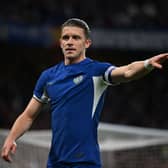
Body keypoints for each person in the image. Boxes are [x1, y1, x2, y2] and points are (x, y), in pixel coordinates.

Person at [1, 18, 168, 168]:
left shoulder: (96, 71)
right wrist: (11, 138)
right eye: (66, 38)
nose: (70, 42)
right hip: (56, 162)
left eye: (76, 37)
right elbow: (29, 115)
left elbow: (127, 72)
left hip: (85, 162)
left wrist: (147, 64)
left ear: (87, 43)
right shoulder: (48, 76)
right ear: (60, 43)